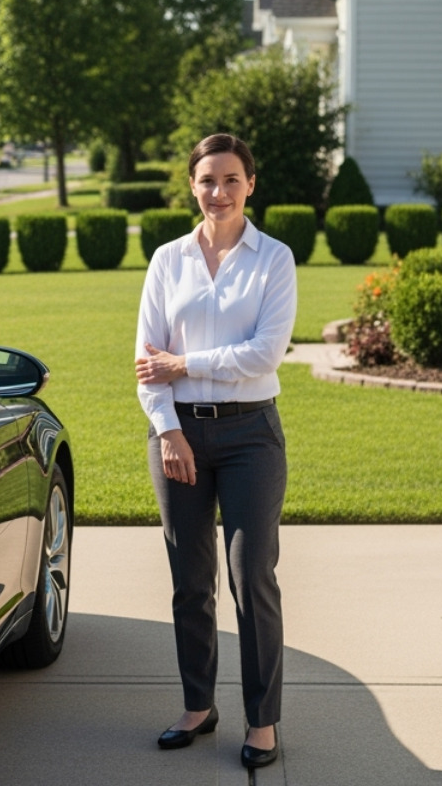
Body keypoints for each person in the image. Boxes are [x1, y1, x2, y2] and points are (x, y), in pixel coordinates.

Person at [134, 133, 297, 771]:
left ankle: (263, 720)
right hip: (177, 435)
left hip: (251, 436)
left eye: (231, 179)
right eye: (207, 180)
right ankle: (198, 706)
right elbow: (146, 363)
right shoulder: (167, 260)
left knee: (251, 575)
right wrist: (168, 430)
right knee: (189, 581)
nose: (219, 192)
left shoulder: (274, 259)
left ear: (250, 184)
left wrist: (186, 362)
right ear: (192, 186)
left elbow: (264, 354)